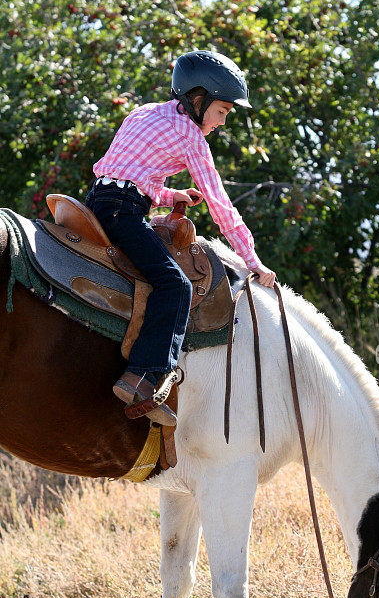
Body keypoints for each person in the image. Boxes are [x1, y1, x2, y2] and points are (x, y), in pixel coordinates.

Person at [84, 50, 276, 427]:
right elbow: (221, 206)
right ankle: (143, 378)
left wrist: (172, 197)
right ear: (198, 99)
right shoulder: (191, 137)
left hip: (101, 200)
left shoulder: (144, 112)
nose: (221, 122)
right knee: (175, 286)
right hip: (124, 208)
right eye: (221, 111)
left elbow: (128, 173)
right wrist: (252, 260)